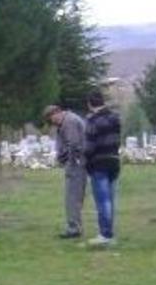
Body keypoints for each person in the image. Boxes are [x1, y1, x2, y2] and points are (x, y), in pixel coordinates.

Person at [84, 90, 122, 246]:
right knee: (110, 199)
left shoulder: (93, 121)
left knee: (102, 200)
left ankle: (105, 234)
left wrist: (85, 159)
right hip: (114, 160)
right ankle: (109, 233)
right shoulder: (115, 119)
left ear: (90, 104)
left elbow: (89, 146)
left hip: (98, 163)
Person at [43, 103, 88, 239]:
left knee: (72, 196)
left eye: (52, 119)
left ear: (57, 113)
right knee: (73, 196)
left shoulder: (70, 122)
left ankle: (74, 228)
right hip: (76, 162)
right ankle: (75, 225)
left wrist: (67, 160)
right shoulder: (67, 121)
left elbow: (73, 144)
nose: (53, 122)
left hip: (76, 163)